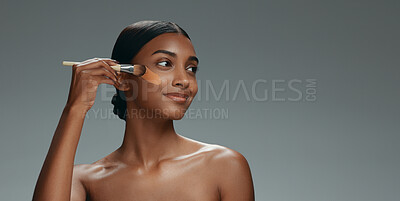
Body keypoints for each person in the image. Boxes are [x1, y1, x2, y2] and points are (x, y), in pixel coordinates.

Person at [32, 20, 254, 201]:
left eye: (191, 68)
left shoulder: (225, 166)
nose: (184, 80)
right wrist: (74, 109)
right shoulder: (81, 180)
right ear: (123, 78)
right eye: (165, 63)